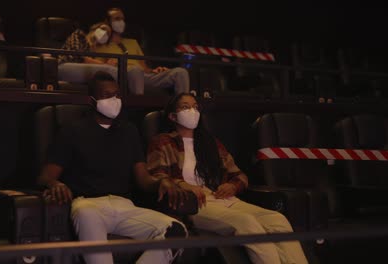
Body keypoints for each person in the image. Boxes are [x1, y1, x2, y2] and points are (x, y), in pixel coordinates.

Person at [38, 71, 188, 264]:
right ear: (92, 100)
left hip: (124, 206)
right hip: (88, 204)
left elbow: (143, 179)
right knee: (86, 213)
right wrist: (55, 184)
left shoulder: (129, 131)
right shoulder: (72, 131)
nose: (114, 100)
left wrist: (163, 181)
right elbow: (45, 177)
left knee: (176, 231)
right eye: (107, 95)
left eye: (116, 95)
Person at [146, 93, 308, 264]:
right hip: (193, 203)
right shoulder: (163, 141)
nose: (192, 111)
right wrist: (183, 185)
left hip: (223, 198)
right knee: (246, 222)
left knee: (277, 220)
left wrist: (233, 186)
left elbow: (239, 175)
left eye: (195, 107)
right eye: (186, 107)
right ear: (172, 116)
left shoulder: (210, 142)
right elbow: (158, 176)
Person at [91, 7, 190, 95]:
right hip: (121, 78)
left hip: (143, 77)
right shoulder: (101, 45)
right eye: (117, 19)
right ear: (108, 22)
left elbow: (144, 69)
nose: (121, 22)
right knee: (135, 70)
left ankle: (183, 106)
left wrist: (155, 71)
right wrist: (108, 64)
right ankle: (137, 108)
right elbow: (95, 66)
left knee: (180, 72)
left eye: (122, 19)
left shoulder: (133, 42)